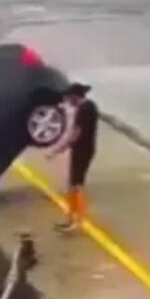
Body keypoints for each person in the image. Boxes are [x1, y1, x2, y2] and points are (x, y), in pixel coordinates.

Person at [49, 83, 98, 233]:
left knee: (77, 185)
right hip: (83, 149)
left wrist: (57, 150)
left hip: (83, 150)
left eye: (69, 97)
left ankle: (77, 221)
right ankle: (70, 217)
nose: (68, 101)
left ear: (76, 97)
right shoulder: (90, 106)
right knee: (72, 184)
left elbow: (74, 134)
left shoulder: (84, 110)